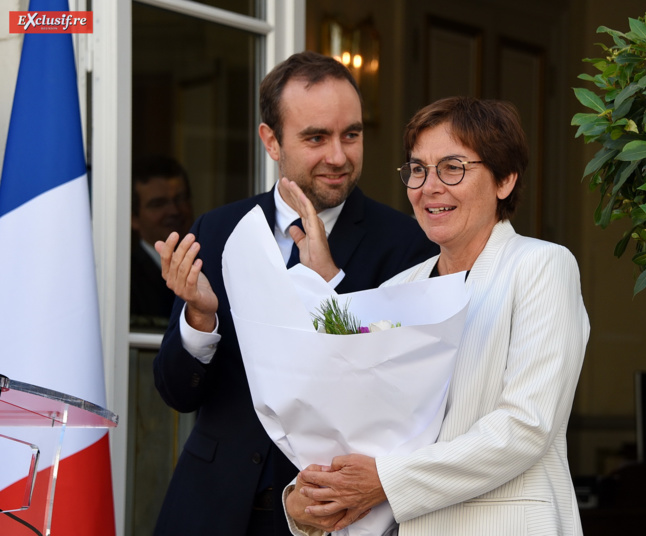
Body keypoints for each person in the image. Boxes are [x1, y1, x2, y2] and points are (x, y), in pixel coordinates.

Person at [151, 51, 438, 536]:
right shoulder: (217, 230)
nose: (339, 156)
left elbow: (397, 406)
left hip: (325, 518)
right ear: (271, 140)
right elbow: (176, 393)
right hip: (207, 506)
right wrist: (200, 320)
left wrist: (330, 288)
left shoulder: (408, 245)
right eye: (316, 137)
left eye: (352, 134)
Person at [283, 96, 590, 535]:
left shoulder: (542, 266)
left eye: (452, 168)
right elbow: (360, 425)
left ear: (505, 179)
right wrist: (305, 498)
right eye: (418, 169)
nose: (429, 187)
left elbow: (525, 427)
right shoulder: (396, 291)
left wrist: (386, 480)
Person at [130, 154, 194, 325]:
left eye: (180, 199)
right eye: (159, 204)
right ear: (133, 218)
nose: (174, 211)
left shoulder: (209, 264)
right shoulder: (126, 279)